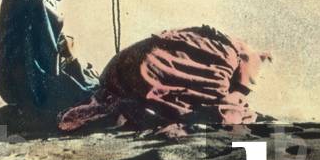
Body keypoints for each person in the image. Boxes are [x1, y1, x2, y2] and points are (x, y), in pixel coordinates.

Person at [57, 25, 271, 137]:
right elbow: (228, 105)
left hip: (116, 72)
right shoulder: (232, 60)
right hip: (140, 74)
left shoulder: (212, 44)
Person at [0, 0, 98, 113]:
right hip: (32, 90)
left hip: (14, 85)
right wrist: (71, 56)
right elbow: (50, 61)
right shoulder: (36, 3)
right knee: (93, 91)